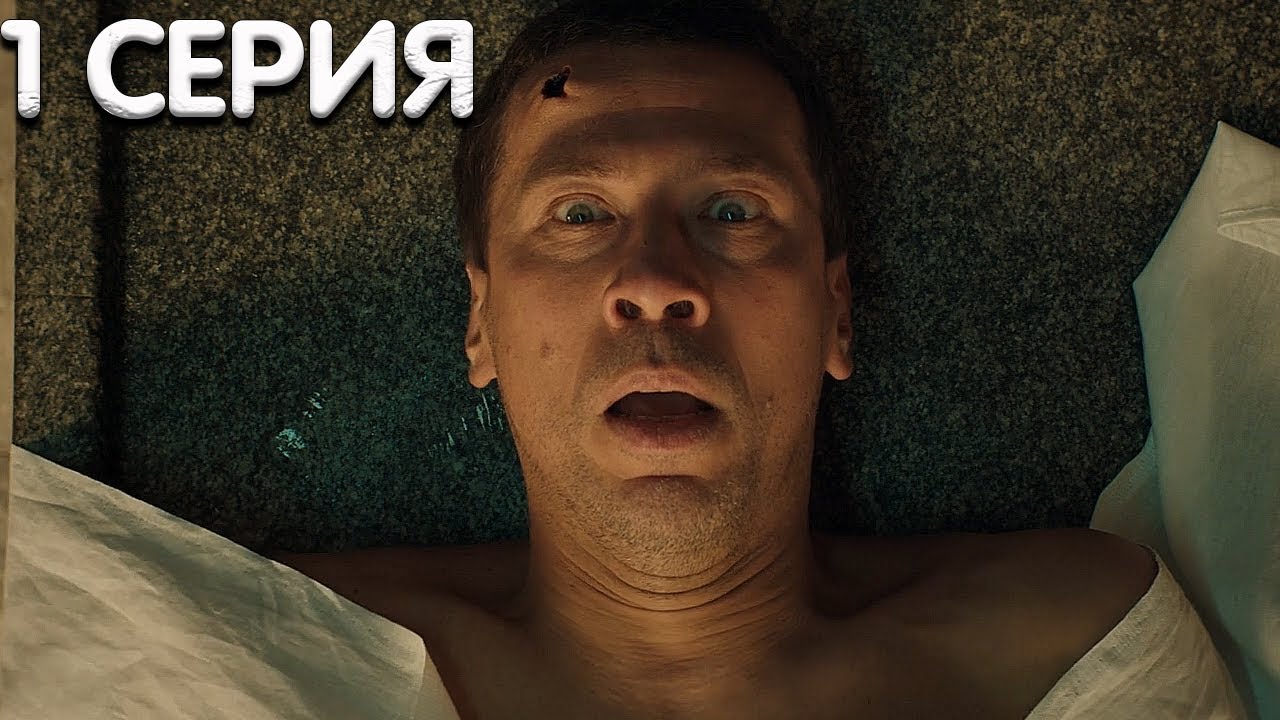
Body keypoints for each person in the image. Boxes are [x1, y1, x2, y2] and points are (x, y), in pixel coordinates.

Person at [272, 1, 1173, 717]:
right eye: (580, 214)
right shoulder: (278, 650)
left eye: (733, 211)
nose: (656, 282)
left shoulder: (1076, 648)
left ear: (836, 311)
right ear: (482, 321)